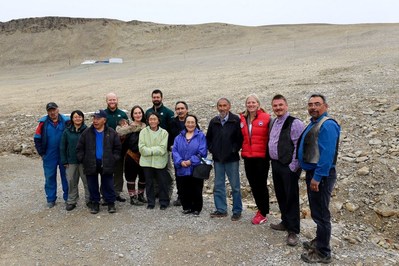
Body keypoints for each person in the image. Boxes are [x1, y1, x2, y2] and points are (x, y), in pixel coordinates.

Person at [298, 94, 340, 264]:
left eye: (317, 104)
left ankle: (323, 252)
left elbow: (327, 155)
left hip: (321, 176)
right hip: (315, 174)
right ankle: (319, 241)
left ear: (325, 106)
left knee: (322, 214)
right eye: (310, 104)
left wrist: (317, 177)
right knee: (317, 211)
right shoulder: (315, 122)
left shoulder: (327, 125)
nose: (313, 107)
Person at [268, 95, 304, 246]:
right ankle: (285, 221)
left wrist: (294, 165)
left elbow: (298, 145)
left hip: (288, 166)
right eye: (275, 106)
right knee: (281, 195)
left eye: (280, 105)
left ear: (286, 105)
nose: (278, 108)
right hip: (276, 164)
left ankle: (293, 230)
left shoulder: (295, 123)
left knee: (291, 197)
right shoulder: (274, 122)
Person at [76, 109, 122, 214]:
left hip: (107, 163)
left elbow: (118, 148)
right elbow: (79, 148)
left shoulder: (112, 132)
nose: (95, 121)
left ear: (104, 120)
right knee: (92, 184)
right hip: (91, 163)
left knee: (108, 184)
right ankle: (95, 203)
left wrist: (113, 159)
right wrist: (83, 159)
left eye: (98, 118)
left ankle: (111, 203)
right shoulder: (86, 132)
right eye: (94, 118)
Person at [206, 98, 243, 221]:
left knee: (235, 186)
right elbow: (209, 139)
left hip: (232, 159)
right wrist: (213, 150)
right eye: (220, 106)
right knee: (219, 185)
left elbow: (240, 139)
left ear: (229, 106)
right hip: (218, 159)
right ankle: (221, 209)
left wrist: (233, 150)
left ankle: (237, 210)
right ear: (217, 107)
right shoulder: (214, 121)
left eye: (224, 105)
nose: (222, 108)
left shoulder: (235, 120)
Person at [239, 94, 271, 224]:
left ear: (258, 104)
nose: (251, 104)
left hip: (261, 157)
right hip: (248, 157)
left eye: (253, 102)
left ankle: (263, 212)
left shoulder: (267, 118)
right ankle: (260, 208)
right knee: (253, 184)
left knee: (261, 185)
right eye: (249, 103)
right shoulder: (242, 118)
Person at [34, 102, 70, 208]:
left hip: (64, 154)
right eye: (50, 110)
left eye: (54, 110)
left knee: (66, 177)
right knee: (49, 176)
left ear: (58, 109)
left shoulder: (66, 121)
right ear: (47, 112)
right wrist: (42, 153)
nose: (52, 112)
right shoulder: (43, 123)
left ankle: (68, 198)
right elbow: (37, 138)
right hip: (49, 155)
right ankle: (51, 199)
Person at [172, 114, 207, 216]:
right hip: (182, 167)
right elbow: (175, 151)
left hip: (195, 167)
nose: (190, 124)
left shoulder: (201, 136)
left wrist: (191, 161)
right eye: (188, 122)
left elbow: (202, 152)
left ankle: (196, 208)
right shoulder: (179, 137)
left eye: (192, 122)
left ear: (196, 124)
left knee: (196, 188)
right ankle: (186, 207)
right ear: (185, 123)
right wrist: (180, 161)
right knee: (183, 188)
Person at [145, 89, 175, 198]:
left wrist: (169, 145)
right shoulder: (148, 112)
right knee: (153, 171)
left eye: (158, 97)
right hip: (151, 149)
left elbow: (172, 131)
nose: (156, 99)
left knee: (167, 171)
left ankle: (168, 193)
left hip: (164, 148)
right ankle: (157, 193)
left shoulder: (168, 112)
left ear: (161, 98)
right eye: (154, 97)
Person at [138, 112, 171, 210]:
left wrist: (150, 150)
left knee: (162, 182)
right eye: (150, 119)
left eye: (154, 119)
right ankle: (151, 202)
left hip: (160, 162)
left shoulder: (164, 133)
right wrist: (154, 150)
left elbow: (162, 149)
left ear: (158, 120)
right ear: (148, 121)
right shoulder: (143, 132)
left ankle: (164, 201)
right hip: (146, 162)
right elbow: (142, 149)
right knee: (149, 182)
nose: (152, 121)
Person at [60, 110, 90, 211]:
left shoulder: (87, 131)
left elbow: (91, 146)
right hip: (71, 161)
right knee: (71, 181)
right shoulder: (67, 131)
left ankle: (89, 200)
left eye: (80, 116)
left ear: (83, 118)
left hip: (84, 162)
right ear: (72, 119)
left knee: (87, 181)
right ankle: (72, 201)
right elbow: (62, 147)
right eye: (75, 117)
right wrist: (64, 160)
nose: (78, 119)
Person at [116, 106, 147, 206]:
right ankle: (133, 197)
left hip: (143, 155)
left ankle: (141, 195)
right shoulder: (126, 128)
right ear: (132, 115)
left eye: (139, 113)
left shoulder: (146, 126)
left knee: (143, 176)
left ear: (142, 114)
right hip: (131, 155)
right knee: (131, 176)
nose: (138, 115)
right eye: (135, 113)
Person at [104, 92, 129, 202]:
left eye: (114, 99)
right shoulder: (103, 114)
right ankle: (105, 194)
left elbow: (127, 129)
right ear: (106, 101)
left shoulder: (122, 114)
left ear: (117, 100)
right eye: (110, 100)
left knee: (118, 171)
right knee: (107, 171)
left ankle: (117, 192)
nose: (112, 102)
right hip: (107, 148)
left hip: (120, 148)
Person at [168, 101, 191, 207]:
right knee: (179, 175)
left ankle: (191, 196)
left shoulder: (191, 121)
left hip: (191, 154)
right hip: (177, 154)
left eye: (182, 108)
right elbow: (169, 137)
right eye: (178, 109)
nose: (180, 111)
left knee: (191, 175)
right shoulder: (172, 122)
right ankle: (180, 196)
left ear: (186, 109)